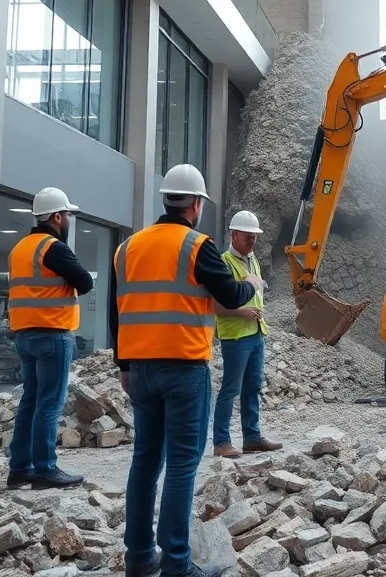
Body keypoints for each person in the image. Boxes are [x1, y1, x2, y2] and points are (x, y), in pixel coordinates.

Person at [110, 164, 260, 577]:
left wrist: (123, 365)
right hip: (184, 367)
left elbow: (116, 310)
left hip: (139, 367)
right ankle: (177, 565)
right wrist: (249, 282)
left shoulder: (127, 247)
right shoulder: (198, 245)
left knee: (145, 460)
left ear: (166, 199)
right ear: (196, 203)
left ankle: (139, 558)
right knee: (180, 464)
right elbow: (228, 294)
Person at [6, 187, 94, 491]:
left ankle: (19, 469)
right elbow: (84, 282)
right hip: (52, 334)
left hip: (25, 335)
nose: (69, 220)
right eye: (67, 215)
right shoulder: (52, 247)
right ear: (57, 216)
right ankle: (45, 469)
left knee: (30, 401)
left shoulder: (20, 248)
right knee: (49, 403)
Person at [211, 210, 282, 459]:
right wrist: (242, 312)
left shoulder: (253, 261)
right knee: (230, 389)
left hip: (255, 333)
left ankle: (252, 437)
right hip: (236, 336)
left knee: (252, 387)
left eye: (255, 236)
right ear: (234, 234)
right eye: (248, 236)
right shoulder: (223, 263)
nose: (252, 240)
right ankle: (221, 441)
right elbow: (213, 304)